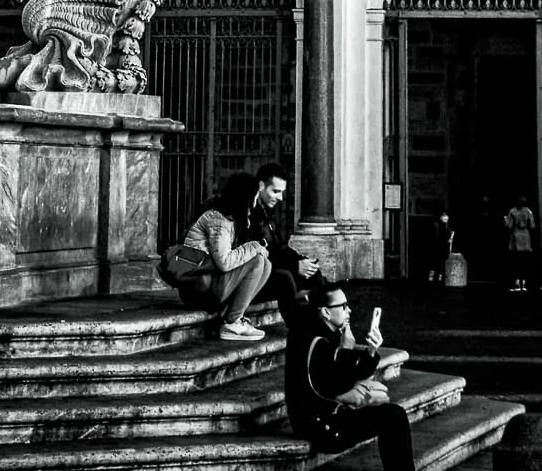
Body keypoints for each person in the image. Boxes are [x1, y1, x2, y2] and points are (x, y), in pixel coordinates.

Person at [284, 284, 414, 471]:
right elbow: (340, 383)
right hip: (323, 427)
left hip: (315, 419)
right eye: (343, 306)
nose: (349, 310)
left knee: (388, 411)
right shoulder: (319, 343)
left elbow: (344, 373)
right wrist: (349, 348)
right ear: (326, 313)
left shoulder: (310, 332)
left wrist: (370, 351)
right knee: (394, 417)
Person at [162, 180, 272, 341]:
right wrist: (254, 246)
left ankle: (235, 316)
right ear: (245, 200)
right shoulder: (218, 221)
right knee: (257, 261)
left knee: (265, 263)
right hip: (198, 290)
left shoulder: (231, 219)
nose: (255, 204)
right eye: (254, 198)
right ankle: (232, 322)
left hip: (209, 284)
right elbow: (224, 262)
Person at [241, 164, 323, 322]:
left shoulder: (267, 211)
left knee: (314, 274)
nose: (280, 198)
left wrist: (301, 260)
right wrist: (294, 265)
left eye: (282, 192)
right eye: (275, 191)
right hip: (253, 276)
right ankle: (298, 331)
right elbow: (258, 253)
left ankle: (320, 324)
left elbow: (279, 247)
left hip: (271, 268)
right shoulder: (249, 212)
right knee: (284, 278)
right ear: (261, 186)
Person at [504, 193, 536, 293]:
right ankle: (524, 282)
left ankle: (517, 282)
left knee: (515, 261)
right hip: (526, 238)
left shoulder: (512, 211)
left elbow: (509, 226)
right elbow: (532, 226)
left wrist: (505, 221)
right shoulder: (528, 212)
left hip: (515, 237)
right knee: (525, 261)